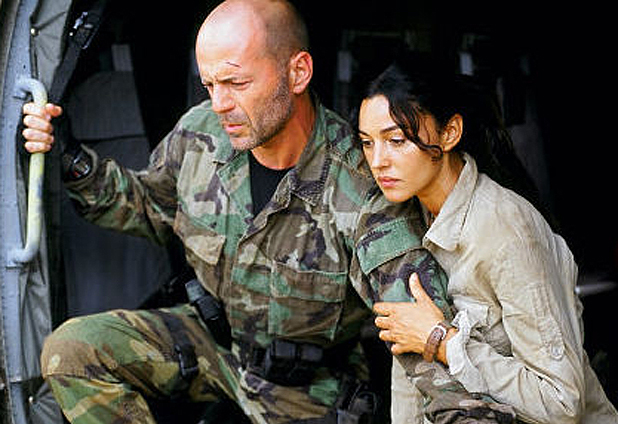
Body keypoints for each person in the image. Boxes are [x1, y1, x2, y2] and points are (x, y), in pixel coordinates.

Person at [19, 1, 508, 423]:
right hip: (216, 346)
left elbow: (421, 332)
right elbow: (147, 205)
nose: (219, 104)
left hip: (309, 386)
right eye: (210, 84)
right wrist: (70, 157)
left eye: (236, 82)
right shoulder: (201, 134)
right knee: (73, 351)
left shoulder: (361, 188)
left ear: (298, 73)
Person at [355, 57, 618, 423]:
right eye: (367, 143)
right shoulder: (402, 221)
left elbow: (560, 402)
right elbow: (410, 378)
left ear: (449, 133)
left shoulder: (506, 230)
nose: (378, 161)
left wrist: (443, 342)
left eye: (396, 140)